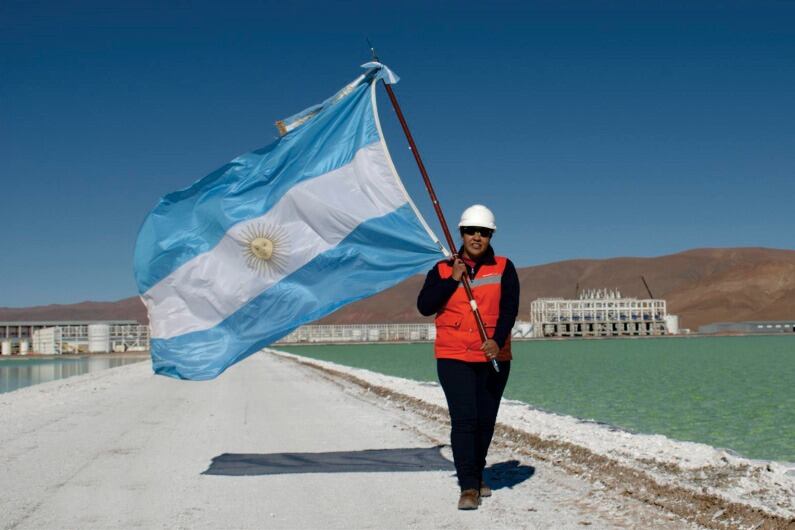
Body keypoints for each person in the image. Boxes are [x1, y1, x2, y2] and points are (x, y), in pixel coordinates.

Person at [417, 204, 520, 510]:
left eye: (484, 232)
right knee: (465, 421)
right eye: (471, 231)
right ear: (461, 233)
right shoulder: (441, 269)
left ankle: (476, 472)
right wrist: (452, 279)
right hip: (453, 356)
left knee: (485, 421)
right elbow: (424, 306)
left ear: (491, 236)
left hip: (494, 356)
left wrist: (496, 340)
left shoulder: (504, 267)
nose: (477, 237)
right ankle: (468, 487)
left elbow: (509, 310)